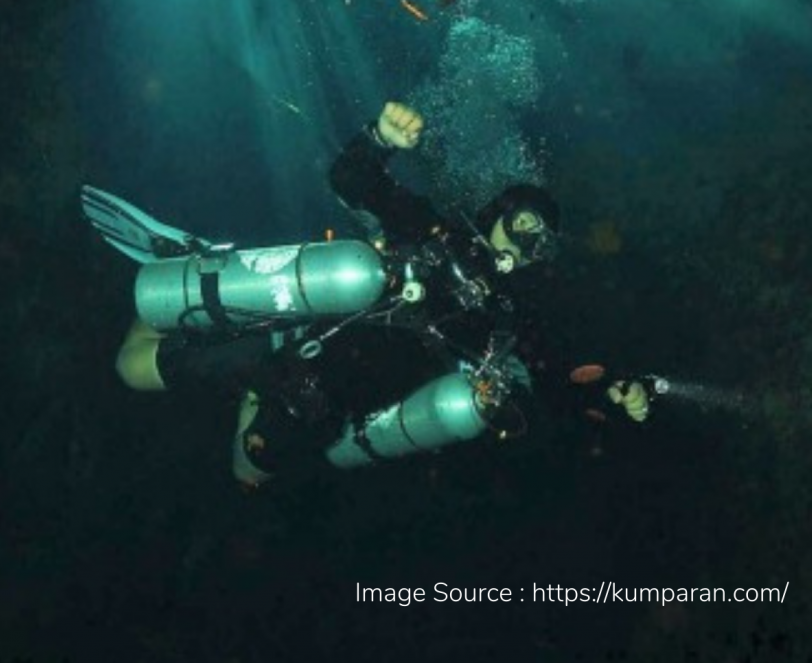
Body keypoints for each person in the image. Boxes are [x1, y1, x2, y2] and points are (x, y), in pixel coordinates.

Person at [111, 101, 651, 486]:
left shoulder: (504, 320)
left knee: (250, 473)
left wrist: (611, 391)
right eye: (526, 224)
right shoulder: (431, 231)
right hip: (289, 337)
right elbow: (352, 180)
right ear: (500, 213)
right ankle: (189, 277)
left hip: (323, 408)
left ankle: (225, 358)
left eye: (543, 243)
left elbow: (556, 377)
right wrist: (380, 139)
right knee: (132, 368)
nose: (530, 243)